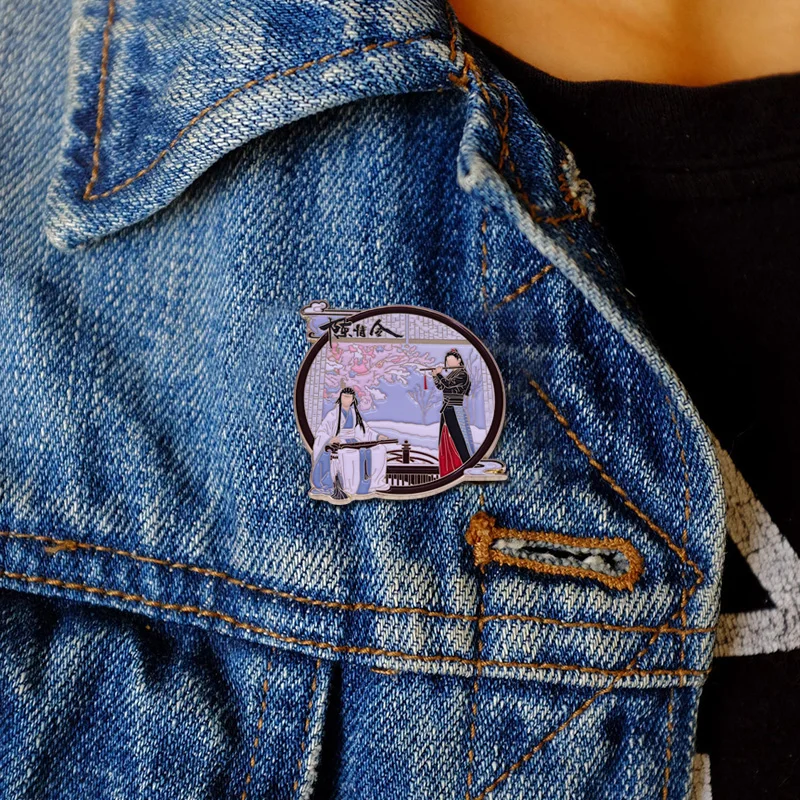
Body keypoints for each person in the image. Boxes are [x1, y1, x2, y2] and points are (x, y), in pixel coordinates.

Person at [310, 387, 391, 498]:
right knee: (350, 455)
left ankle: (375, 483)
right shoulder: (333, 415)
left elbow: (364, 430)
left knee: (380, 450)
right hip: (340, 442)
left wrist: (378, 436)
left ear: (353, 400)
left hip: (354, 441)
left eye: (349, 397)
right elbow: (322, 432)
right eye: (344, 397)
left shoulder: (354, 414)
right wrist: (330, 439)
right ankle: (351, 487)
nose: (346, 399)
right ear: (340, 398)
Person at [431, 349, 475, 475]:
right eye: (447, 361)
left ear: (459, 360)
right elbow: (441, 387)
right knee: (445, 438)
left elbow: (448, 384)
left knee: (459, 437)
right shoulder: (452, 374)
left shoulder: (462, 374)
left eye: (451, 360)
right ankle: (449, 468)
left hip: (455, 408)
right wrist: (435, 376)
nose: (449, 363)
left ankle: (466, 465)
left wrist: (439, 375)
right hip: (447, 408)